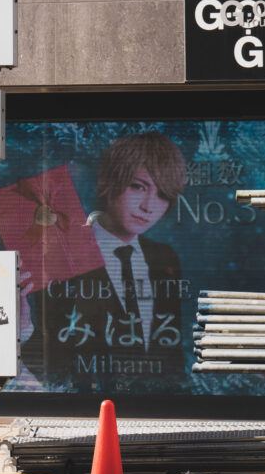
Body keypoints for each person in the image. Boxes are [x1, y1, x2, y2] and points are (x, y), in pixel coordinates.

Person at [23, 132, 186, 390]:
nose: (148, 206)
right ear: (108, 182)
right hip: (81, 402)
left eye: (162, 195)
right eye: (138, 186)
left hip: (153, 408)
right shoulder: (61, 253)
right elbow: (48, 353)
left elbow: (169, 347)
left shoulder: (163, 258)